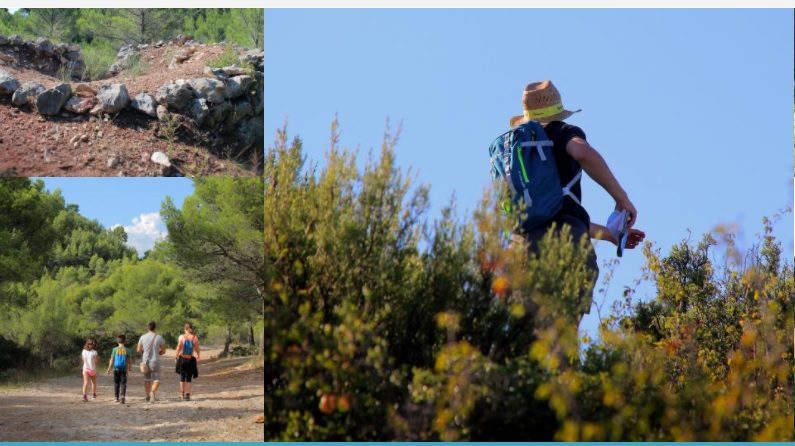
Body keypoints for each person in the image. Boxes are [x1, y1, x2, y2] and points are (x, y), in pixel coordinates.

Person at [498, 80, 646, 325]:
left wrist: (610, 234)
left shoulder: (515, 152)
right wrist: (622, 198)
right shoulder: (560, 131)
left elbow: (550, 214)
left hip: (519, 250)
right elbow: (582, 153)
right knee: (562, 338)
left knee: (525, 341)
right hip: (565, 249)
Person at [137, 321, 166, 403]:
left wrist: (144, 353)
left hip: (145, 362)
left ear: (147, 327)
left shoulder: (142, 337)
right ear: (155, 328)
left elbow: (138, 349)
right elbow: (163, 351)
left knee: (147, 379)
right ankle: (152, 392)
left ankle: (147, 397)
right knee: (157, 380)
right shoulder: (159, 337)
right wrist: (159, 352)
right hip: (155, 361)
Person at [175, 322, 201, 401]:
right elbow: (197, 348)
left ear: (185, 329)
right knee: (189, 378)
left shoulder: (181, 337)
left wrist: (176, 356)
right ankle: (188, 395)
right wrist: (198, 355)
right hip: (191, 359)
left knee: (182, 378)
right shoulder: (194, 338)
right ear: (191, 329)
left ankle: (182, 394)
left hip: (182, 359)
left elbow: (179, 347)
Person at [106, 334, 132, 404]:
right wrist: (129, 368)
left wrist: (109, 369)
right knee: (123, 383)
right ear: (125, 341)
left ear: (117, 341)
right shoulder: (127, 350)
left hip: (116, 369)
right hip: (124, 369)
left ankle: (116, 398)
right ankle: (123, 396)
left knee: (116, 383)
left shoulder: (114, 349)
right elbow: (129, 360)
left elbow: (112, 360)